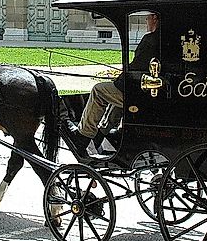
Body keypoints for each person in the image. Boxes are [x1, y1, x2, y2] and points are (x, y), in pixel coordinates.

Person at [65, 12, 160, 156]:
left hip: (142, 92)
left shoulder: (151, 39)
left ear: (154, 18)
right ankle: (105, 132)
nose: (147, 22)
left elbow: (136, 68)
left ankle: (84, 134)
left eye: (147, 18)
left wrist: (120, 79)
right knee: (116, 94)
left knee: (99, 90)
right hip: (146, 90)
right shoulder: (165, 39)